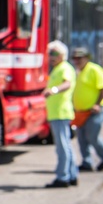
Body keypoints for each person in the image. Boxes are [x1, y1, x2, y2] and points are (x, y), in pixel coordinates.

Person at [71, 47, 103, 172]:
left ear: (86, 58)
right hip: (81, 111)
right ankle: (87, 162)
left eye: (79, 58)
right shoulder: (78, 71)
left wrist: (97, 104)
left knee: (92, 136)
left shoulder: (94, 69)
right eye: (75, 59)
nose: (77, 61)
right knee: (81, 138)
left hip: (94, 111)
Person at [43, 40, 78, 188]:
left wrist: (54, 90)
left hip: (61, 113)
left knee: (62, 147)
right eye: (50, 53)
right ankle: (71, 175)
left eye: (55, 53)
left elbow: (67, 83)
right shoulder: (57, 69)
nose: (51, 57)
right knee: (66, 146)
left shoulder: (64, 68)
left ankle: (62, 177)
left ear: (63, 55)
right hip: (57, 113)